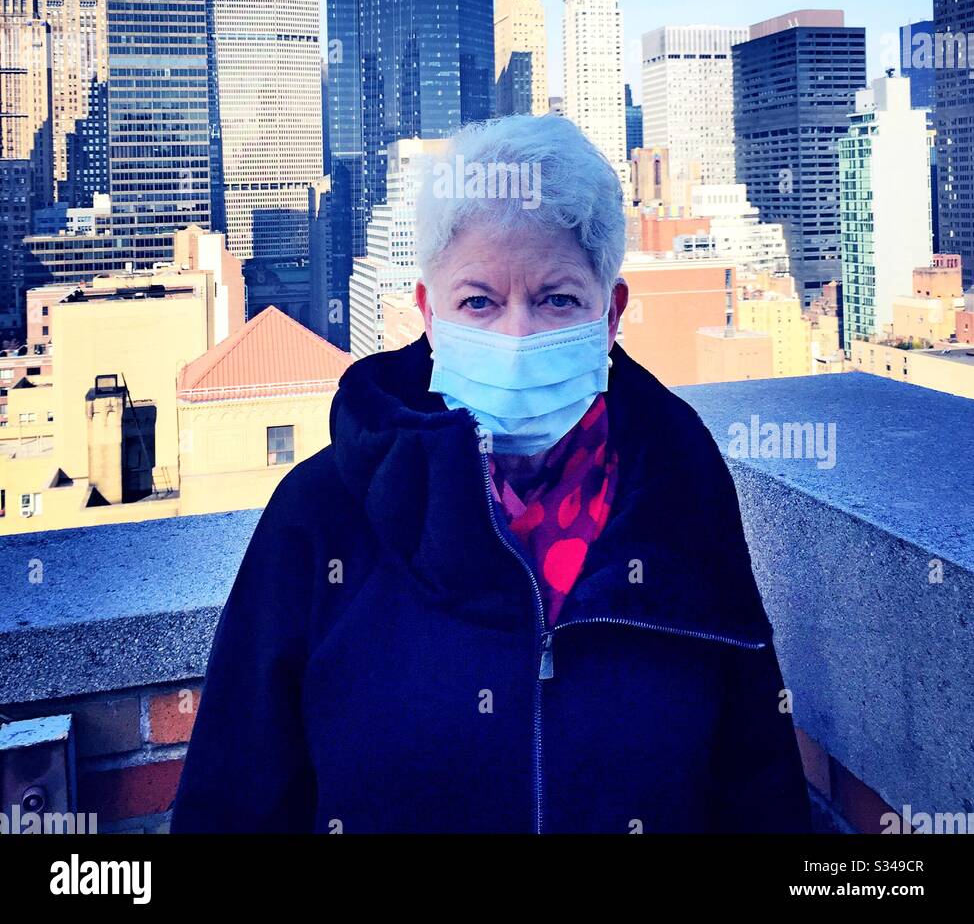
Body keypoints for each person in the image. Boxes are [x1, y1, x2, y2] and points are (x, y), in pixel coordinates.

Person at [170, 113, 811, 834]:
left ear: (611, 315)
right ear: (428, 315)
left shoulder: (681, 491)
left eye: (557, 299)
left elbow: (756, 781)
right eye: (479, 301)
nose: (516, 338)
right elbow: (231, 804)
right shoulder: (318, 515)